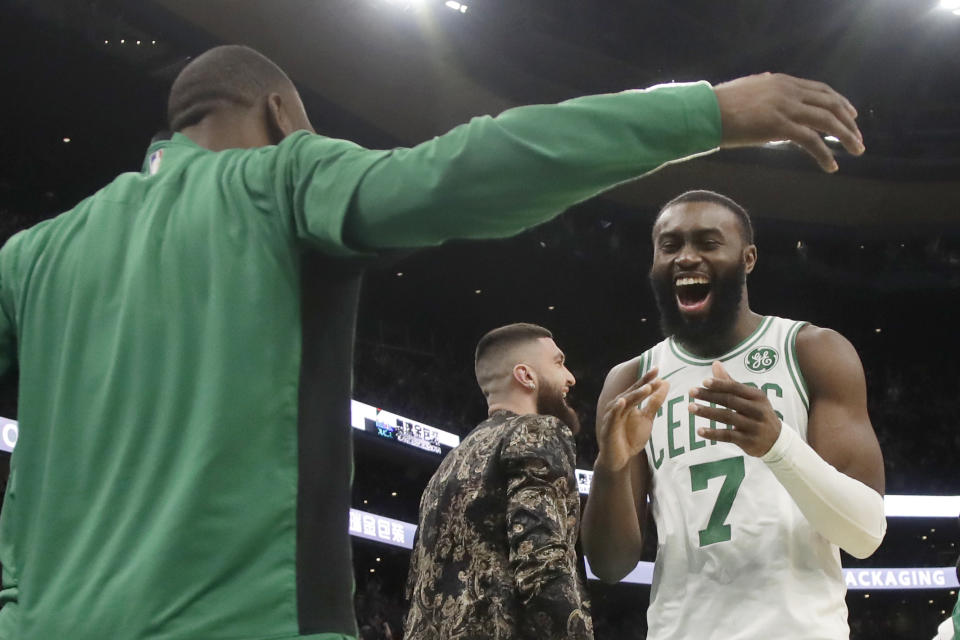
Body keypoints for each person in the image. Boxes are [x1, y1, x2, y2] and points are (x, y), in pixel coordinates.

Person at [0, 41, 864, 639]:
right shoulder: (281, 177)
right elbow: (471, 166)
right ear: (277, 112)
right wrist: (703, 112)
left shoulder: (33, 256)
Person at [581, 190, 887, 639]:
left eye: (707, 243)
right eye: (670, 246)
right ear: (653, 263)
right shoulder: (631, 380)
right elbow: (610, 565)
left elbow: (865, 534)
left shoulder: (812, 351)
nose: (686, 257)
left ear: (748, 258)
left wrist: (778, 445)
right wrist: (609, 468)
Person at [404, 323, 666, 639]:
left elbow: (419, 587)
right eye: (558, 363)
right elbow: (542, 565)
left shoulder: (446, 468)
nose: (570, 377)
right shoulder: (538, 432)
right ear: (526, 376)